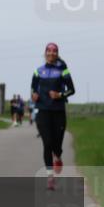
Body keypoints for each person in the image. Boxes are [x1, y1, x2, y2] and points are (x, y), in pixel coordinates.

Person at [31, 43, 76, 191]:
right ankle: (50, 176)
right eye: (48, 51)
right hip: (43, 111)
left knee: (57, 143)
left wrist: (59, 95)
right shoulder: (38, 71)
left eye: (54, 51)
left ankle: (58, 156)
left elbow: (71, 90)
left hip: (58, 111)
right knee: (47, 143)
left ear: (57, 54)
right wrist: (34, 95)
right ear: (45, 53)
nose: (51, 53)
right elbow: (33, 87)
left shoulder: (63, 70)